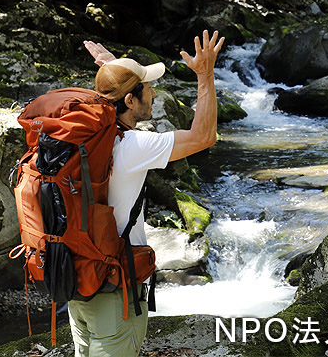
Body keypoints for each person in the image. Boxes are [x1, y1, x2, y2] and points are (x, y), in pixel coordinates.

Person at [68, 30, 225, 357]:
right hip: (113, 290)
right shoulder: (134, 146)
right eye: (148, 88)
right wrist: (205, 75)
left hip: (78, 279)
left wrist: (113, 70)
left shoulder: (82, 138)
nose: (154, 94)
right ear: (129, 101)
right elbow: (204, 135)